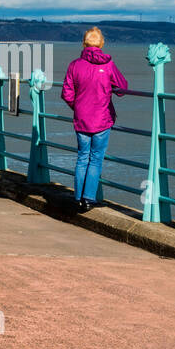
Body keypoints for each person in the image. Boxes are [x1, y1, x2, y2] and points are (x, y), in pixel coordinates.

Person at [61, 27, 128, 211]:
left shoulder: (75, 65)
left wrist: (79, 107)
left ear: (84, 43)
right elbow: (122, 87)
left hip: (82, 120)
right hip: (102, 119)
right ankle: (89, 198)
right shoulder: (108, 64)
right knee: (96, 159)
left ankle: (78, 197)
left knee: (82, 158)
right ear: (101, 44)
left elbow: (66, 93)